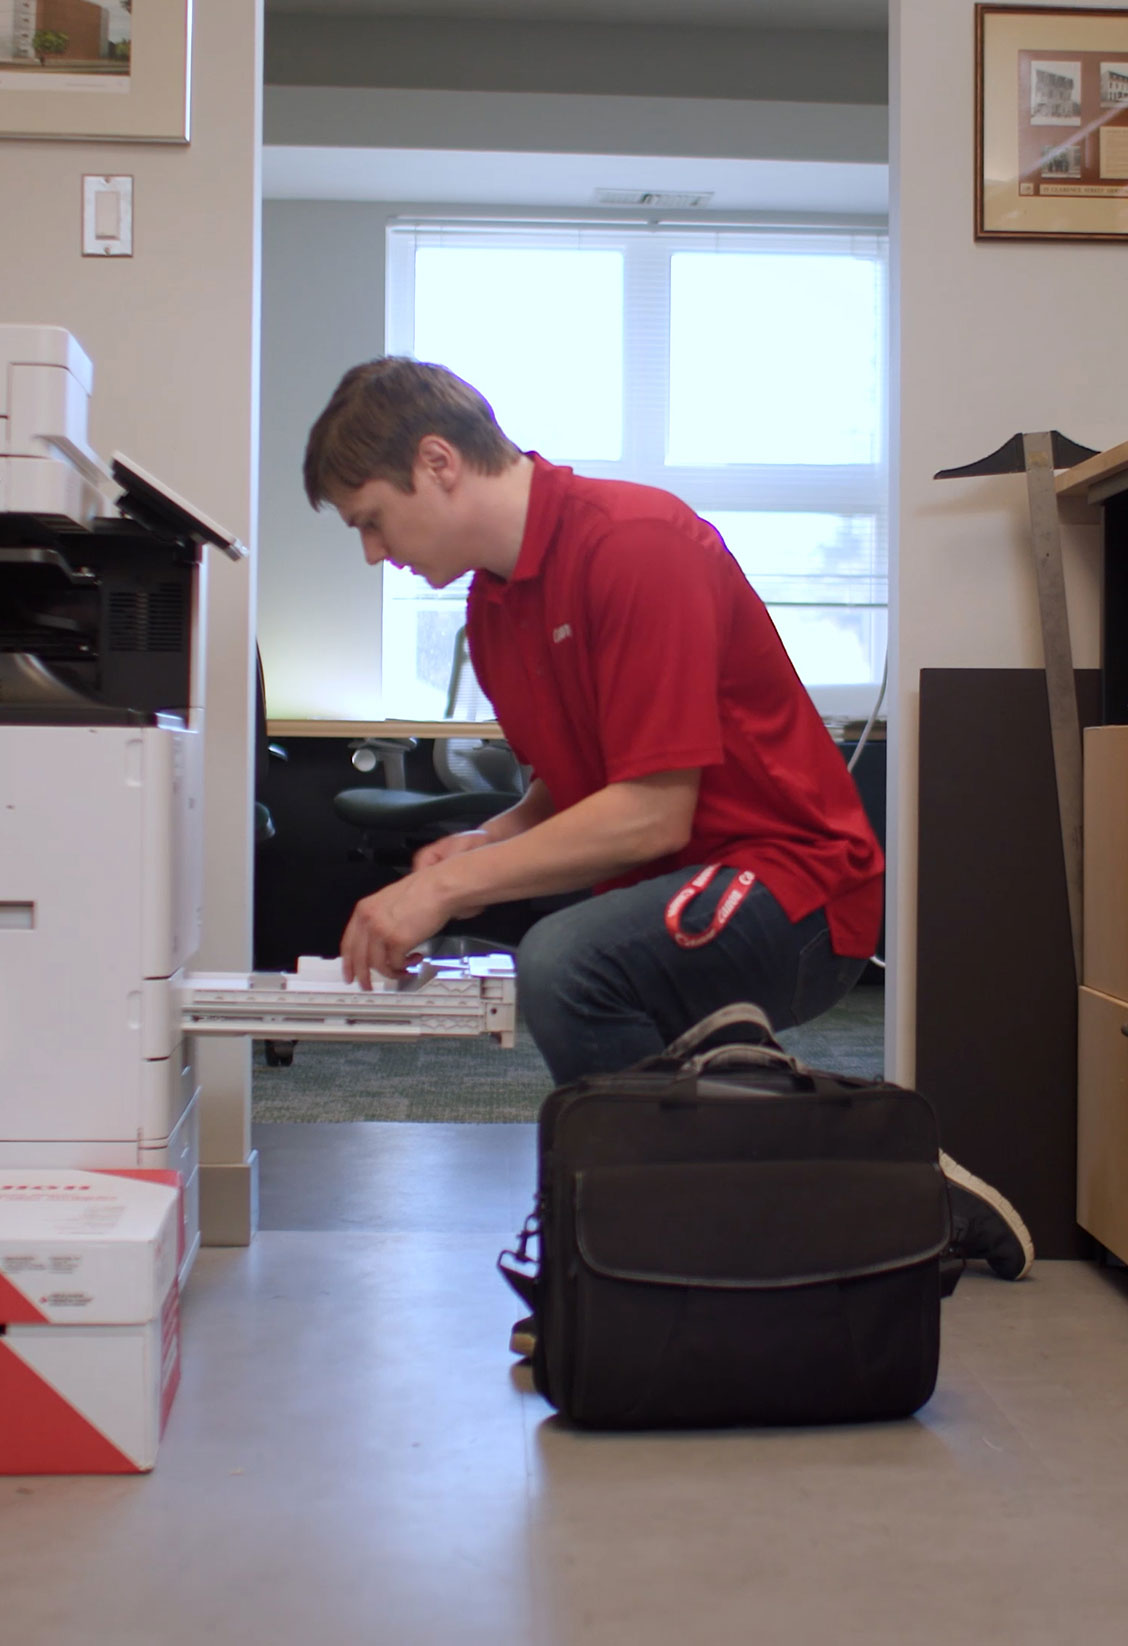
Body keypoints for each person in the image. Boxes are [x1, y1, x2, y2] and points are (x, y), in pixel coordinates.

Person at [302, 358, 1033, 1345]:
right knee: (582, 965)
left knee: (565, 961)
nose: (370, 549)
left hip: (800, 884)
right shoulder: (495, 605)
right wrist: (485, 840)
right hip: (682, 883)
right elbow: (577, 777)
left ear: (437, 463)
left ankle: (657, 1252)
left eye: (369, 518)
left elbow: (650, 813)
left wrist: (456, 887)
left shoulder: (635, 543)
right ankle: (845, 1192)